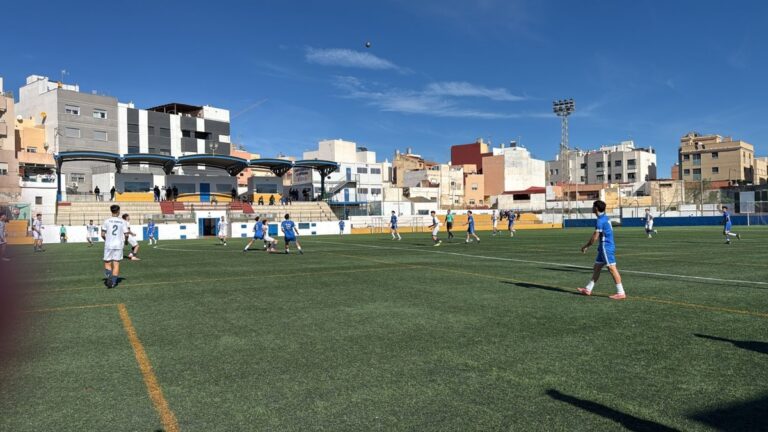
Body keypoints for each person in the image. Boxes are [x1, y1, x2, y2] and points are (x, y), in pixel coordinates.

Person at [578, 200, 626, 300]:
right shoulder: (604, 218)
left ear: (596, 208)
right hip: (603, 247)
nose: (592, 208)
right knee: (597, 267)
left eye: (593, 206)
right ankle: (588, 289)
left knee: (612, 268)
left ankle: (621, 292)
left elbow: (595, 237)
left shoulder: (600, 220)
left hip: (606, 247)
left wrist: (586, 246)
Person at [102, 205, 128, 288]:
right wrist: (126, 241)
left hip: (109, 244)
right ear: (118, 211)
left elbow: (102, 234)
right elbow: (126, 234)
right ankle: (113, 283)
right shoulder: (122, 222)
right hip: (118, 244)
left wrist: (106, 239)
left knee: (107, 263)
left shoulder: (107, 221)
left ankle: (109, 276)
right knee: (116, 264)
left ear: (111, 211)